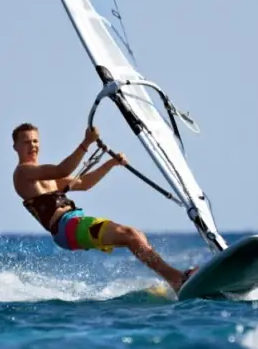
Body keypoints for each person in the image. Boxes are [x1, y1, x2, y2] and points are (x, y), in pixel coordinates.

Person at [11, 122, 196, 293]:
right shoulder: (23, 172)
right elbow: (63, 170)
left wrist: (111, 163)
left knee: (136, 236)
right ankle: (177, 279)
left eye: (35, 141)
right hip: (68, 228)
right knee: (130, 235)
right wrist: (86, 143)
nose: (32, 145)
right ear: (16, 147)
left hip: (74, 226)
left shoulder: (46, 178)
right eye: (26, 142)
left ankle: (174, 279)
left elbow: (84, 183)